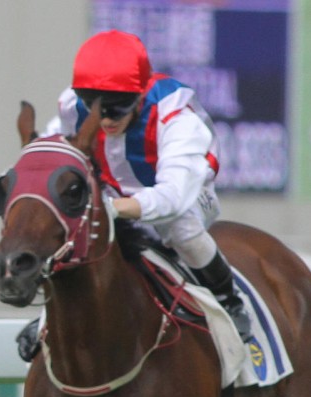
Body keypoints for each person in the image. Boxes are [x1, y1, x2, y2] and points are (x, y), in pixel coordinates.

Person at [15, 29, 256, 363]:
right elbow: (51, 157)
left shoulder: (177, 118)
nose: (107, 120)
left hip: (184, 191)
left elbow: (172, 197)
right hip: (113, 189)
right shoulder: (74, 104)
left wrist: (110, 208)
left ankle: (229, 300)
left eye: (118, 109)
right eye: (99, 110)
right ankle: (47, 320)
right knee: (73, 235)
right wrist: (3, 190)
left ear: (140, 96)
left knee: (180, 228)